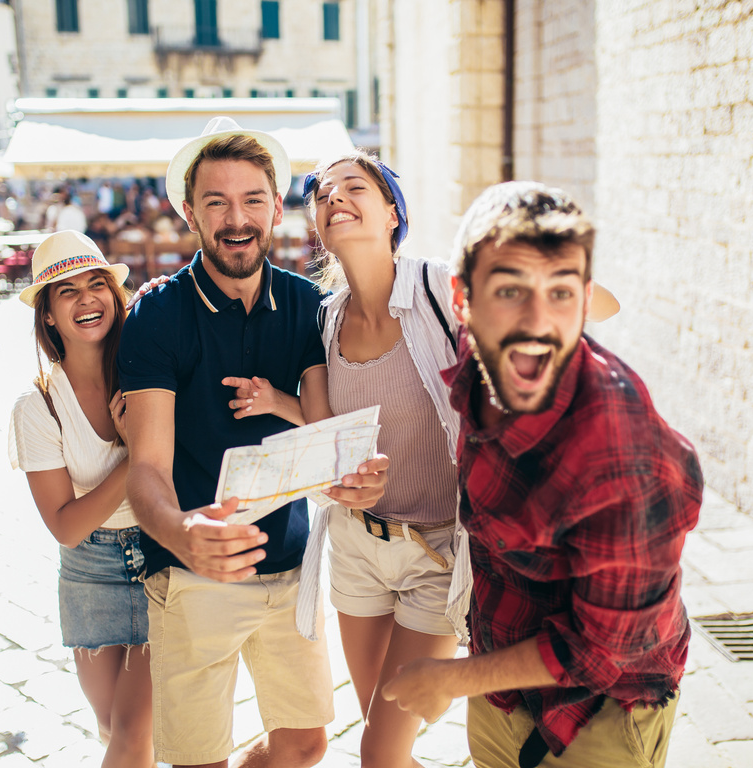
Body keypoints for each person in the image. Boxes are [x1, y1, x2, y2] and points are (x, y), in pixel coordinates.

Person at [381, 182, 702, 768]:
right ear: (463, 301)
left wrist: (451, 679)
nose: (536, 322)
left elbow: (601, 649)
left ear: (583, 302)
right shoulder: (482, 361)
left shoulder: (619, 455)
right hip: (503, 690)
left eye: (560, 294)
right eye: (510, 291)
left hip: (600, 713)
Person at [117, 117, 389, 768]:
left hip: (291, 569)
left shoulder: (306, 304)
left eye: (252, 200)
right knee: (198, 760)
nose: (236, 219)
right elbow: (146, 469)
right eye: (216, 202)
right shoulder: (158, 314)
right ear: (189, 212)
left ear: (274, 207)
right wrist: (183, 533)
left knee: (305, 743)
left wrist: (352, 478)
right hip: (191, 571)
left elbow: (323, 434)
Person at [299, 151, 464, 768]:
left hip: (436, 552)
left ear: (392, 212)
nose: (334, 196)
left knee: (378, 751)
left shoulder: (442, 289)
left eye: (354, 186)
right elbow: (331, 430)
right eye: (322, 193)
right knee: (383, 744)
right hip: (356, 551)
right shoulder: (322, 320)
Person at [7, 230, 155, 768]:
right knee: (115, 729)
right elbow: (67, 527)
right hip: (91, 570)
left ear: (116, 297)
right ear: (47, 315)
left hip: (164, 556)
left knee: (136, 734)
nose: (86, 298)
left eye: (97, 284)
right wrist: (135, 452)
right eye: (66, 291)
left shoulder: (148, 368)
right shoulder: (38, 406)